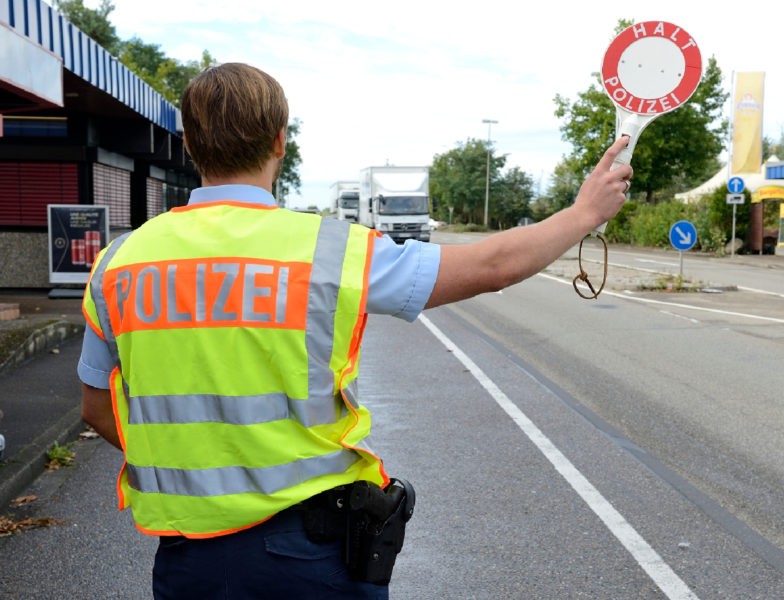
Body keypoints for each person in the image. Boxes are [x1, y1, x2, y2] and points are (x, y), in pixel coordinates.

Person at [78, 62, 632, 599]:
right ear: (279, 142)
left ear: (189, 143)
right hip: (307, 555)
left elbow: (97, 408)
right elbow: (491, 267)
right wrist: (584, 214)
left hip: (186, 560)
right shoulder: (329, 250)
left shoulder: (119, 264)